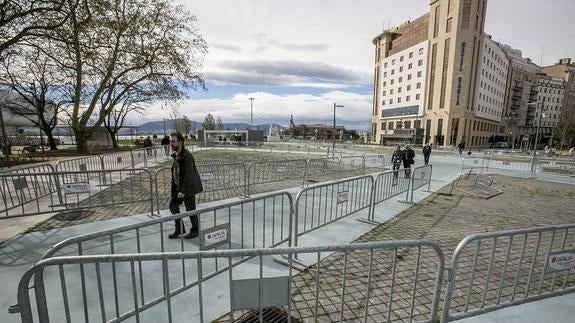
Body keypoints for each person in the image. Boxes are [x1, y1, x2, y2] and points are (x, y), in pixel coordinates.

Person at [168, 132, 203, 239]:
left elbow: (189, 175)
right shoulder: (177, 155)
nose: (171, 143)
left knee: (191, 209)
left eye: (173, 141)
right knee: (173, 205)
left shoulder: (187, 156)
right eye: (170, 141)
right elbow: (176, 174)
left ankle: (195, 230)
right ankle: (180, 229)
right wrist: (174, 190)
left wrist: (183, 191)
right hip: (179, 188)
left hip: (188, 188)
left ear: (180, 142)